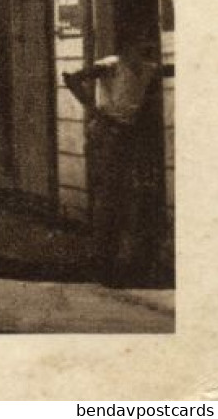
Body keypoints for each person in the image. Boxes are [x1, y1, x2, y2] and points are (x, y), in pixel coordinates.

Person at [64, 42, 163, 286]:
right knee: (109, 195)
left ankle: (115, 259)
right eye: (133, 44)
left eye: (142, 43)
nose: (137, 50)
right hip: (107, 132)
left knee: (126, 195)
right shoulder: (111, 64)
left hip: (128, 133)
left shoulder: (150, 68)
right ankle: (102, 260)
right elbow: (72, 78)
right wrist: (94, 110)